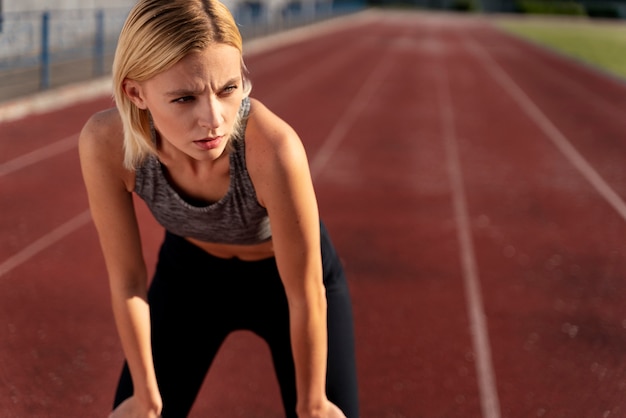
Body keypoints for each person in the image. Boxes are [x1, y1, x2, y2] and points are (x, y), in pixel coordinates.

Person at [78, 0, 359, 417]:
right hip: (191, 277)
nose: (213, 119)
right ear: (135, 93)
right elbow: (128, 283)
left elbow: (304, 294)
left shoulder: (273, 150)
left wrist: (313, 403)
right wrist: (145, 393)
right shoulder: (106, 145)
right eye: (185, 98)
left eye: (228, 89)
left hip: (287, 285)